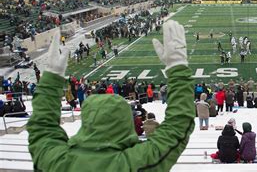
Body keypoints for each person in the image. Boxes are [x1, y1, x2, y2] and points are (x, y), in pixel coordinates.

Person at [27, 21, 196, 171]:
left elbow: (42, 128)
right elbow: (179, 124)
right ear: (125, 120)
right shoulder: (137, 162)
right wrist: (178, 67)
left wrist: (49, 79)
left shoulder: (55, 162)